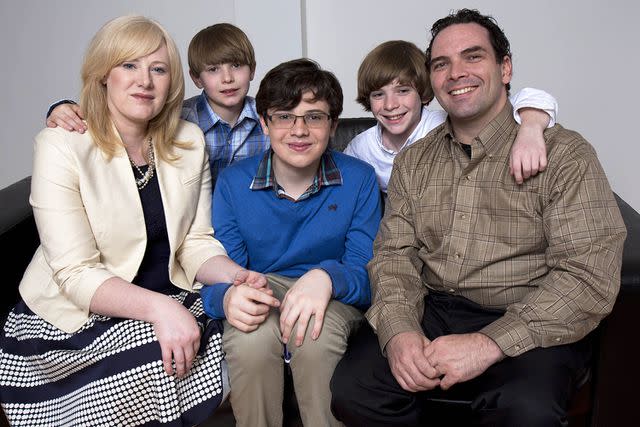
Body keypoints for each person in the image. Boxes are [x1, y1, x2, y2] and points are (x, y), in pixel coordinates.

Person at [331, 9, 627, 427]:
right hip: (432, 308)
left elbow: (587, 277)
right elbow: (394, 254)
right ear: (431, 80)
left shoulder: (565, 156)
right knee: (354, 391)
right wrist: (398, 331)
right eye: (441, 64)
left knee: (527, 411)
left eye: (473, 57)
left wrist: (488, 344)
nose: (456, 73)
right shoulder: (414, 160)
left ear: (505, 68)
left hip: (526, 313)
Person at [0, 16, 265, 426]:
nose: (145, 80)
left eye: (158, 69)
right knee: (157, 357)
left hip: (173, 292)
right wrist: (162, 311)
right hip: (81, 313)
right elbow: (75, 273)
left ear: (173, 81)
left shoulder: (188, 141)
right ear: (104, 74)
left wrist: (236, 277)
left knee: (248, 333)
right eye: (129, 65)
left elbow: (196, 243)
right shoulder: (62, 145)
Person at [200, 58, 382, 427]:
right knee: (250, 342)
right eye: (285, 116)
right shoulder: (234, 184)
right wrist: (227, 298)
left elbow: (367, 277)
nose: (299, 130)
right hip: (261, 288)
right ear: (265, 123)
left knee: (312, 337)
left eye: (314, 117)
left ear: (332, 126)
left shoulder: (359, 179)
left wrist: (326, 277)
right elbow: (217, 281)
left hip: (332, 295)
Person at [46, 22, 268, 189]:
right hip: (196, 225)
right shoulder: (179, 117)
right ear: (196, 79)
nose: (227, 78)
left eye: (237, 66)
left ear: (253, 70)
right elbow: (121, 115)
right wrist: (62, 106)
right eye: (213, 70)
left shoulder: (268, 117)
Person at [344, 39, 557, 191]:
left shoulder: (444, 123)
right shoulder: (360, 148)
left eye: (403, 91)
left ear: (422, 92)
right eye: (378, 94)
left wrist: (530, 129)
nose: (390, 105)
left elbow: (531, 97)